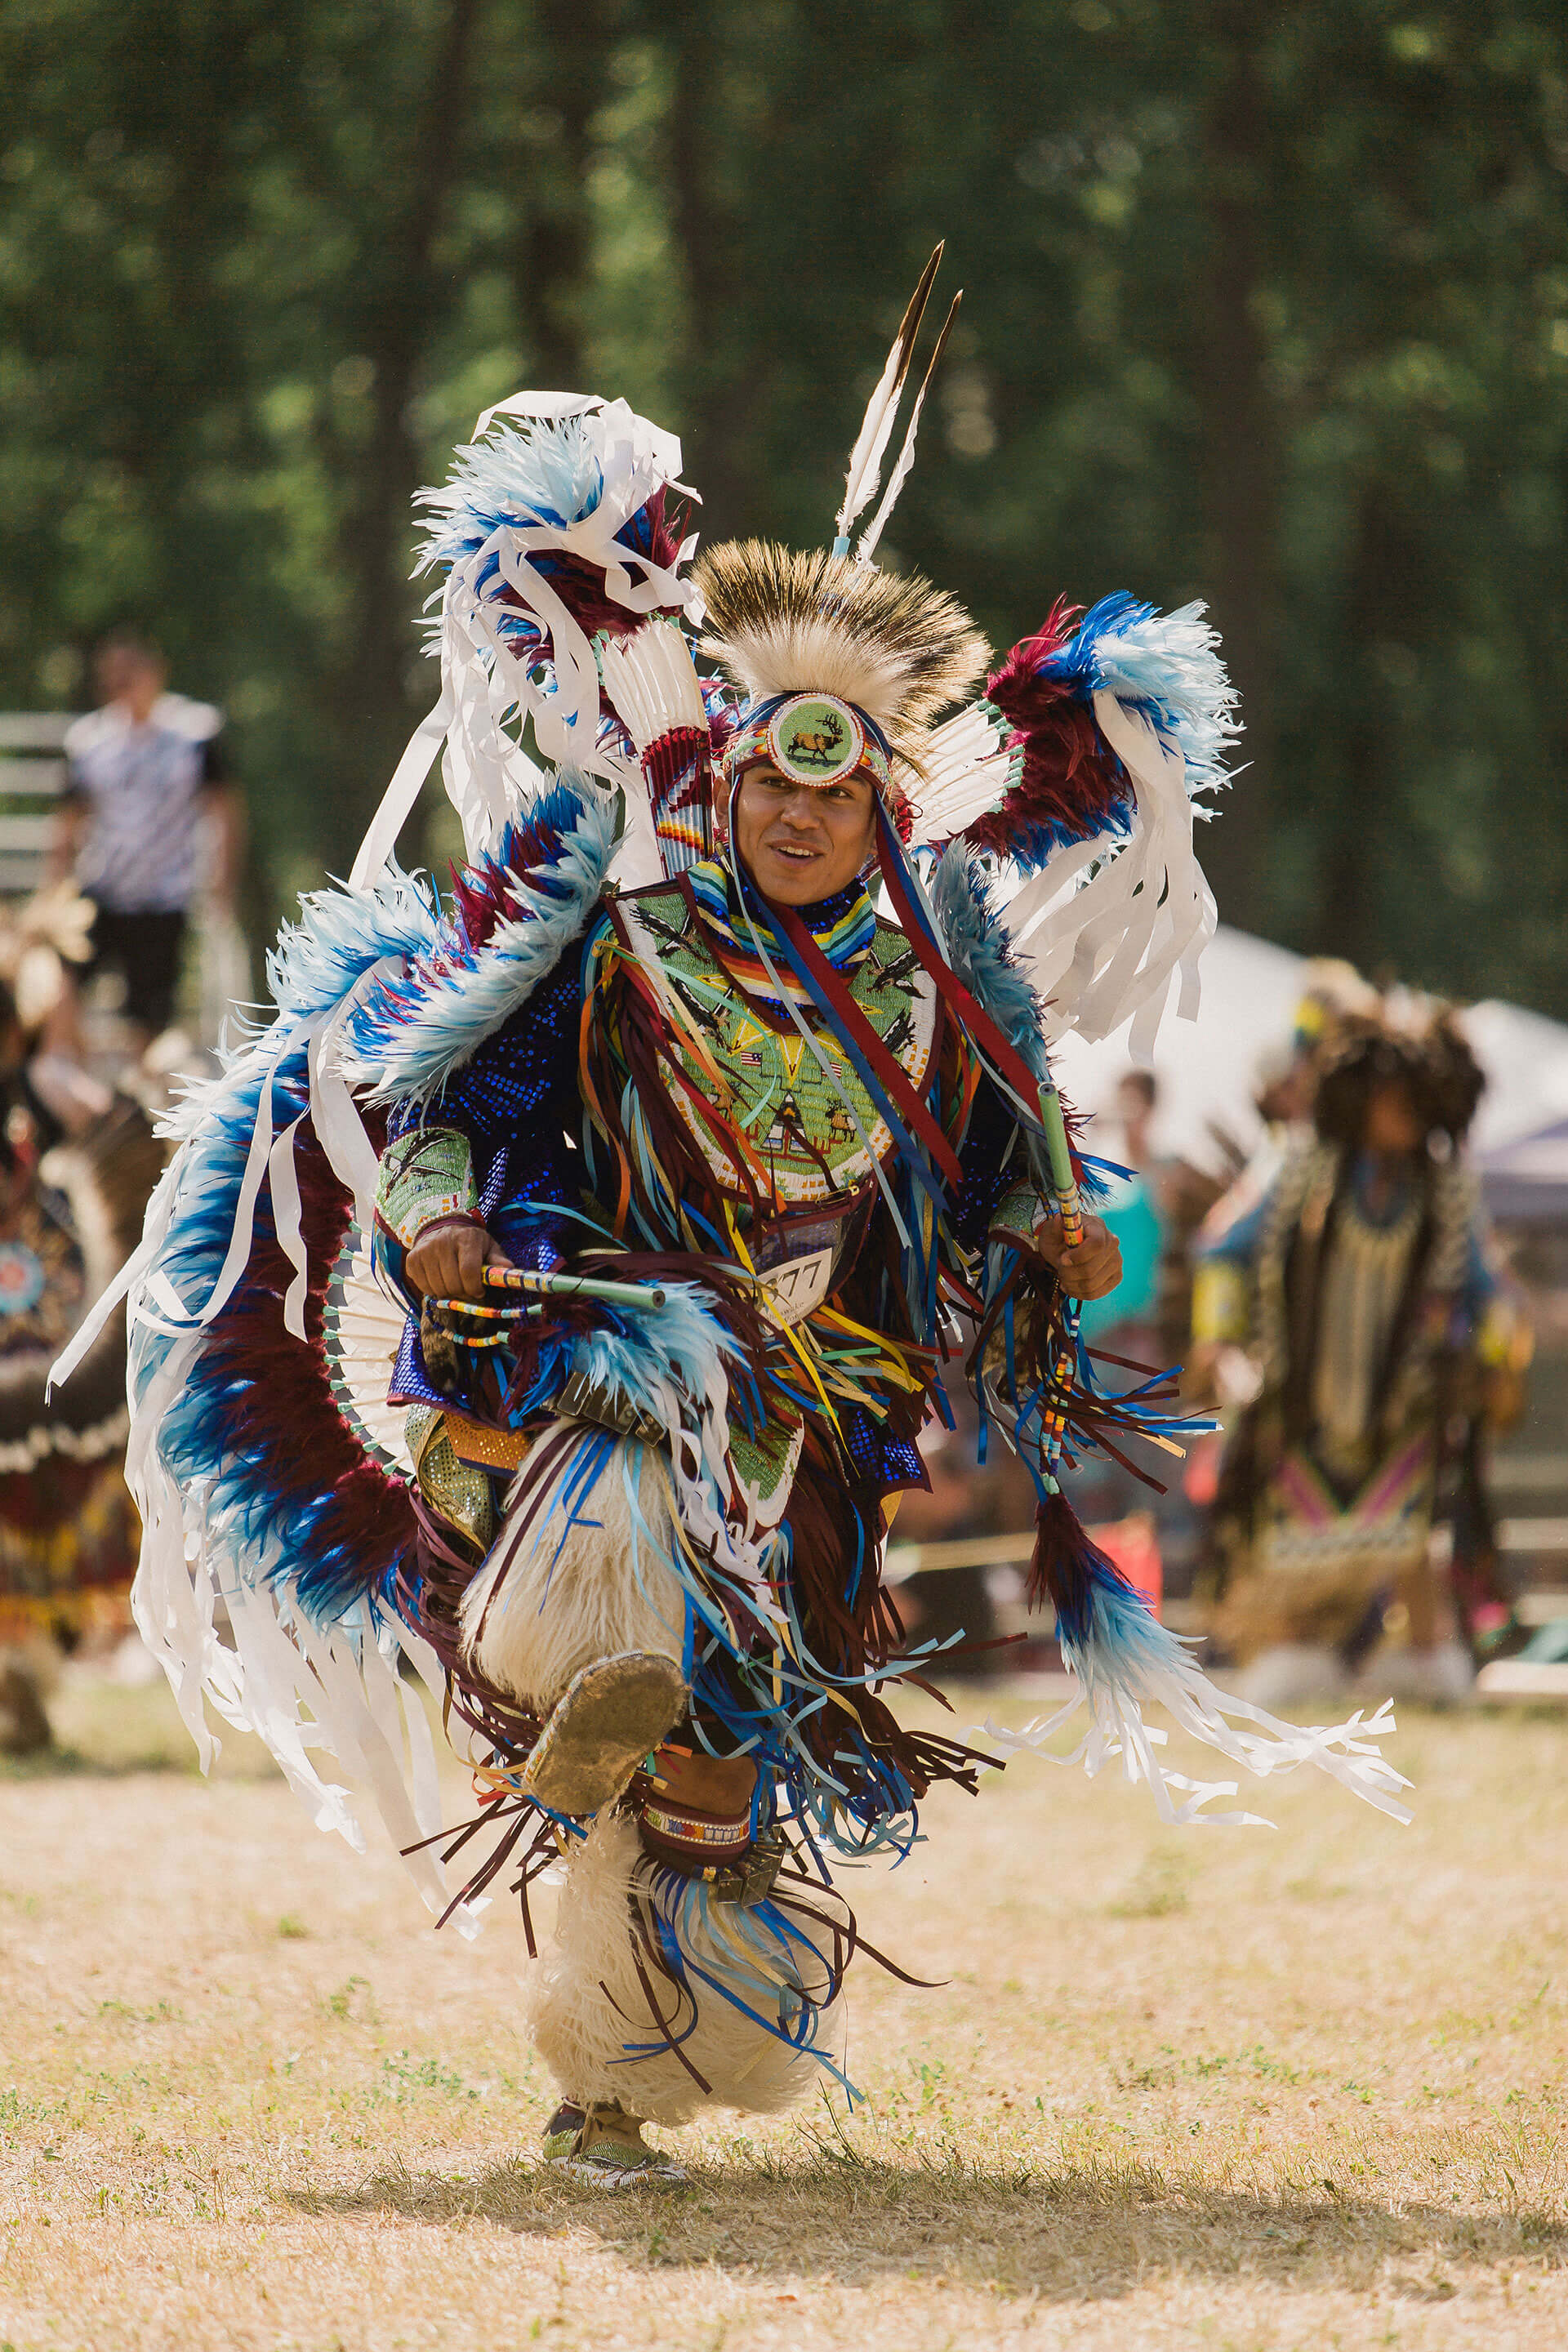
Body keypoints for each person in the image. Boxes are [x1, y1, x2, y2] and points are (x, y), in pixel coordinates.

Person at [80, 264, 1405, 2191]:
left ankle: (635, 2046)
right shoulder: (615, 914)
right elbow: (448, 1088)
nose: (792, 811)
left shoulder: (940, 959)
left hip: (817, 1385)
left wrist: (1039, 1238)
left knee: (719, 1754)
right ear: (730, 769)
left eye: (834, 777)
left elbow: (1005, 1147)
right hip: (598, 1327)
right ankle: (552, 1725)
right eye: (767, 769)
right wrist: (441, 1222)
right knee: (608, 1545)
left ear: (879, 791)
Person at [1192, 1006, 1526, 1703]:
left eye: (1419, 1101)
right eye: (1393, 1097)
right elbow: (1222, 1253)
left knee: (1411, 1538)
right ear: (1362, 1096)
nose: (1406, 1114)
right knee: (1288, 1540)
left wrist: (1493, 1361)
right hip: (1299, 1398)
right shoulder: (1295, 1167)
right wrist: (1218, 1343)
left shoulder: (1446, 1190)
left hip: (1406, 1405)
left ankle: (1427, 1657)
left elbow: (1487, 1292)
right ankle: (1292, 1652)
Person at [54, 630, 242, 1047]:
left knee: (149, 1014)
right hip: (101, 890)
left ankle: (142, 1101)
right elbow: (68, 820)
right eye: (113, 673)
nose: (122, 681)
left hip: (163, 895)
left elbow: (225, 810)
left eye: (130, 670)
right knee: (59, 983)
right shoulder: (89, 740)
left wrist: (221, 884)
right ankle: (66, 1077)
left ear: (156, 671)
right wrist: (56, 889)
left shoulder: (194, 733)